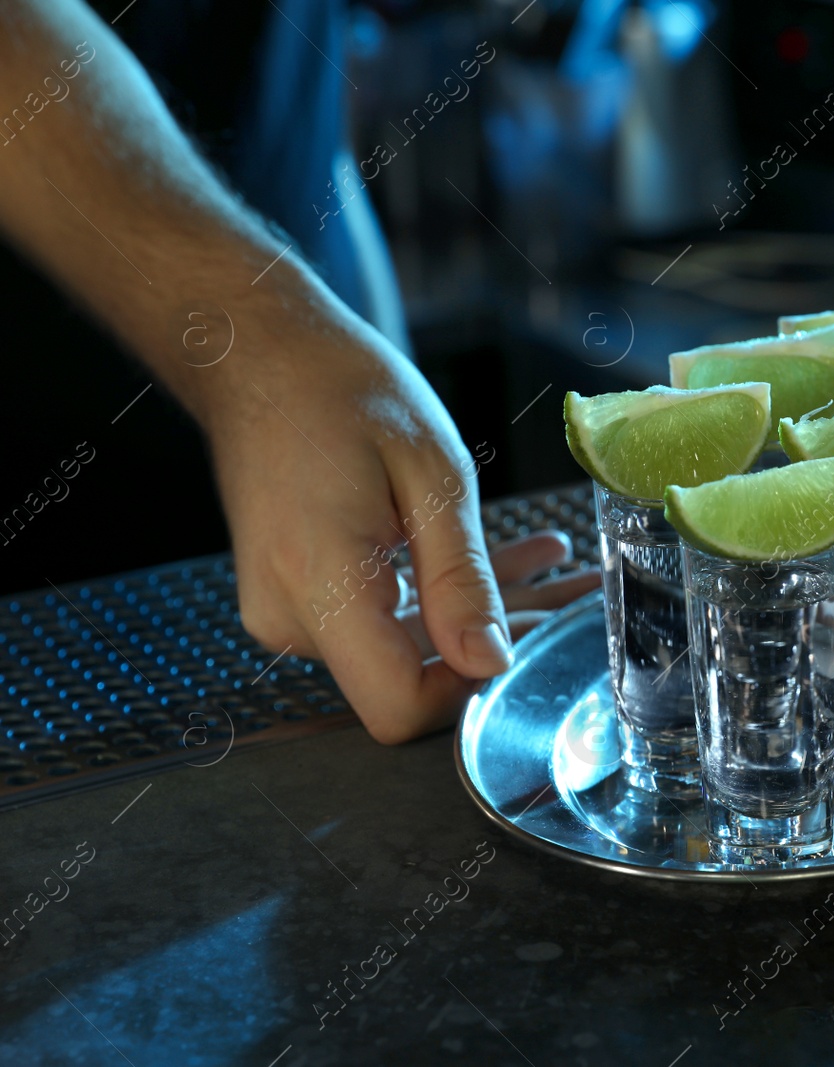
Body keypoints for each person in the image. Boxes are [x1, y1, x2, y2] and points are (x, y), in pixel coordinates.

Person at [0, 0, 597, 742]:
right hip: (64, 593)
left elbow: (299, 96)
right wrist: (260, 337)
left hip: (328, 497)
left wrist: (380, 392)